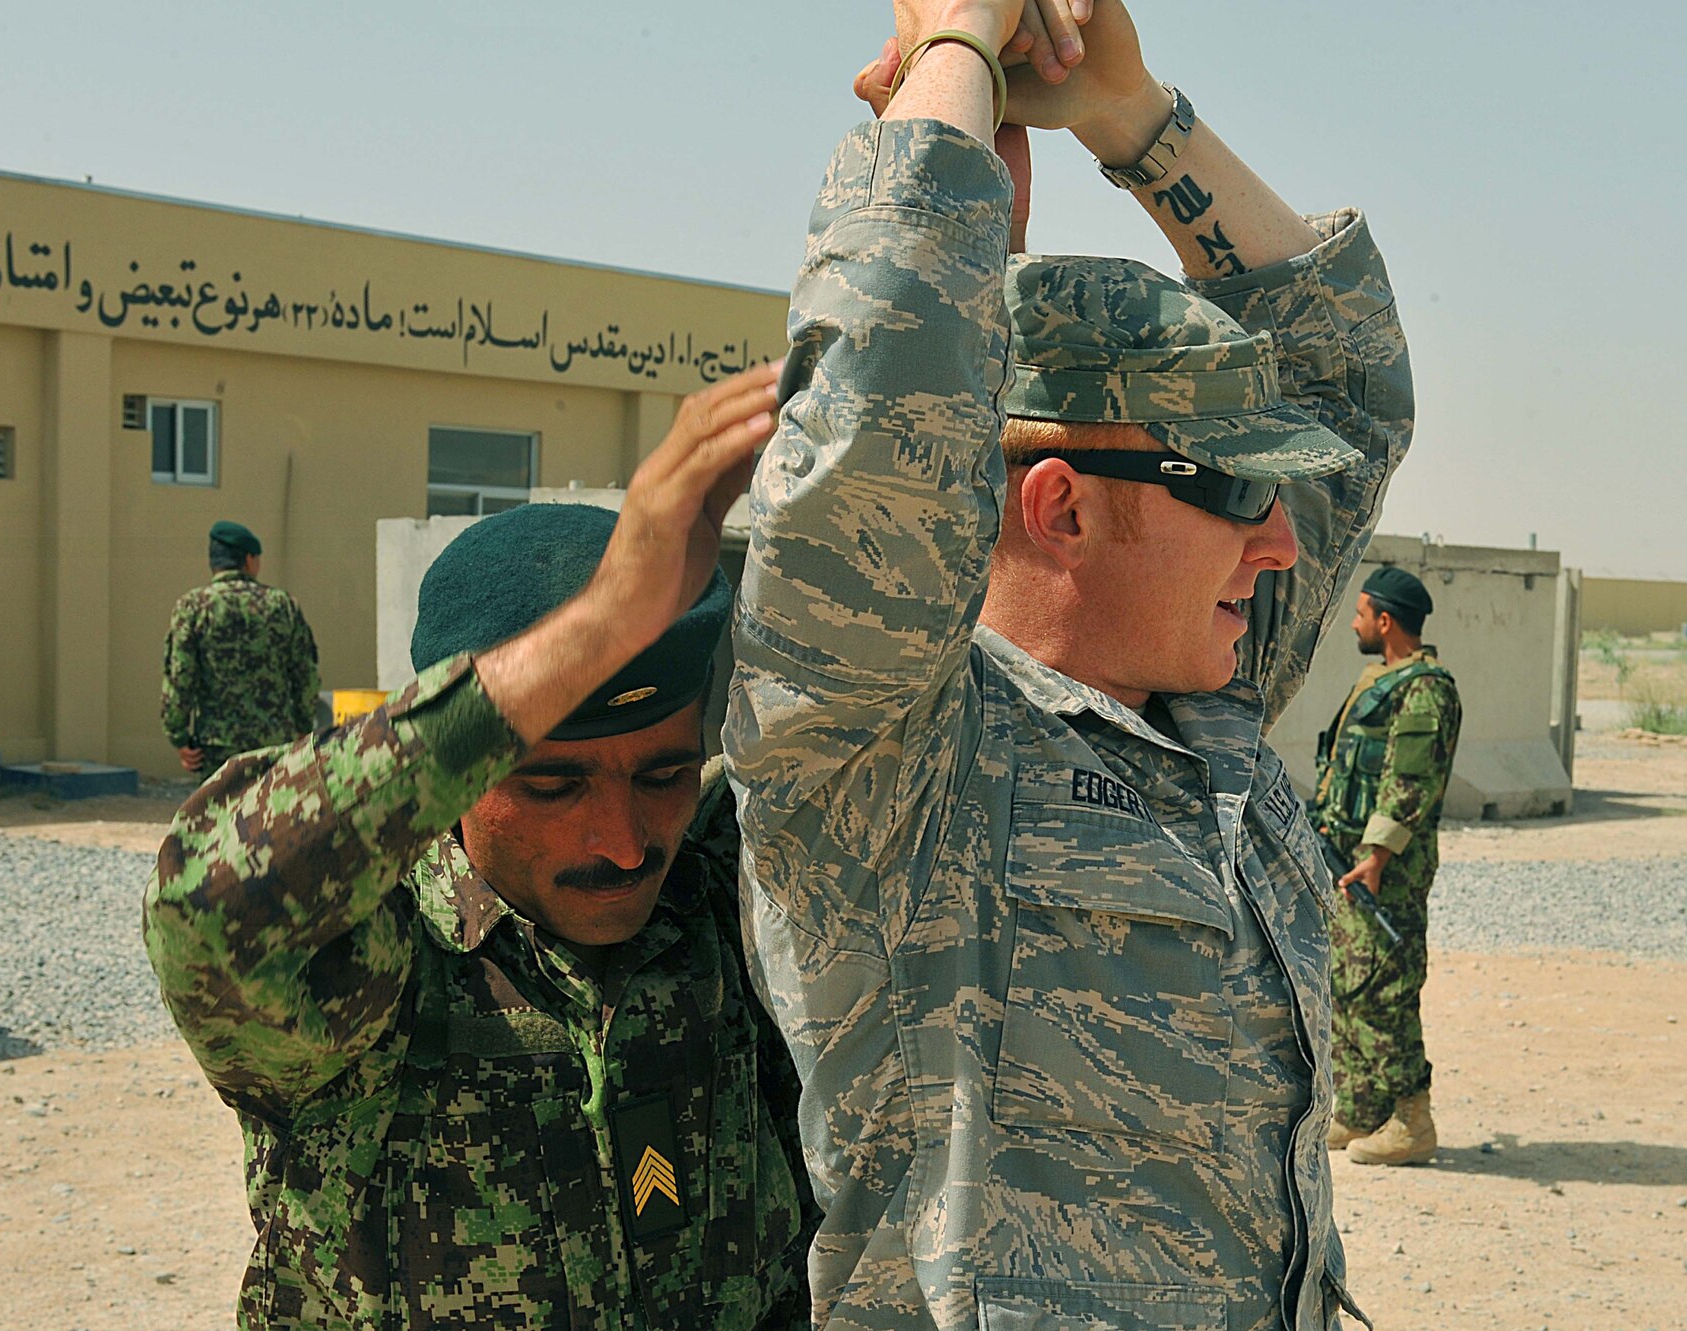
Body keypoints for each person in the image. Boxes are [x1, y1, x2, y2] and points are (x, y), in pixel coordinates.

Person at [725, 1, 1412, 1327]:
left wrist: (1128, 115)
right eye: (1235, 488)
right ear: (1062, 507)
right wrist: (959, 50)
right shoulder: (887, 746)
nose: (1285, 542)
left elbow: (1346, 383)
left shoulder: (1200, 696)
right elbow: (885, 393)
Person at [144, 363, 817, 1331]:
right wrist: (600, 624)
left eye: (661, 776)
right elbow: (208, 902)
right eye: (552, 784)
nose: (624, 844)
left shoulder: (718, 885)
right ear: (461, 768)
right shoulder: (375, 955)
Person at [1314, 566, 1462, 1166]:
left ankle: (1411, 1118)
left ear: (1385, 620)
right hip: (1349, 857)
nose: (1353, 622)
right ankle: (1360, 1106)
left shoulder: (1426, 690)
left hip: (1386, 868)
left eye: (1360, 612)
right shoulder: (1380, 678)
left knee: (1383, 989)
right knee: (1345, 982)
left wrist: (1377, 854)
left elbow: (1411, 779)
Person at [160, 520, 320, 780]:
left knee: (219, 817)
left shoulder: (193, 607)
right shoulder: (282, 605)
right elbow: (305, 675)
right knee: (270, 817)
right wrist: (303, 726)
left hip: (217, 745)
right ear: (248, 559)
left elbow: (180, 676)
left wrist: (179, 736)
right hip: (273, 743)